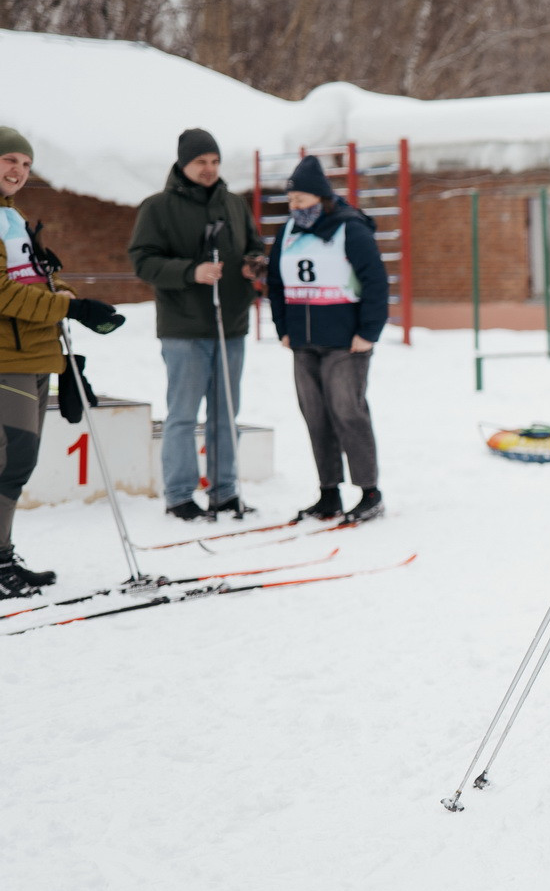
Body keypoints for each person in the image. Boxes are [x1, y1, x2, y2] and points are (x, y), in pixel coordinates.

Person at [0, 127, 126, 595]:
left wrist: (66, 293)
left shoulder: (13, 218)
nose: (18, 170)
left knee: (18, 463)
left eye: (26, 164)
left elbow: (30, 287)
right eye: (9, 159)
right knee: (12, 460)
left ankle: (3, 557)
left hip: (35, 354)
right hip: (6, 358)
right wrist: (71, 308)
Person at [128, 128, 265, 521]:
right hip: (184, 328)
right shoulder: (157, 208)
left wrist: (252, 263)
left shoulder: (235, 204)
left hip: (230, 323)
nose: (209, 169)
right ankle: (179, 494)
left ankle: (224, 491)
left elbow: (254, 245)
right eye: (201, 162)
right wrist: (191, 271)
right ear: (183, 164)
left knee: (226, 413)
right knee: (183, 414)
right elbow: (143, 261)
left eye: (215, 161)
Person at [266, 154, 388, 524]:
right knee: (315, 417)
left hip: (345, 343)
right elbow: (275, 284)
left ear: (320, 198)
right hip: (303, 343)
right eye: (291, 201)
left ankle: (369, 492)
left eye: (301, 200)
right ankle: (328, 492)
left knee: (347, 412)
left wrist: (368, 332)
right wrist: (282, 328)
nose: (295, 207)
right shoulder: (288, 233)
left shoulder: (350, 229)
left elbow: (376, 282)